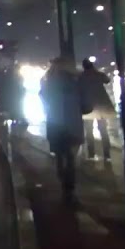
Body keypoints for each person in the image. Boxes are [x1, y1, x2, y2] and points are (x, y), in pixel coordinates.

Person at [41, 56, 84, 203]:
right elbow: (86, 104)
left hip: (55, 122)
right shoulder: (76, 82)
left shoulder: (49, 82)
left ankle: (64, 183)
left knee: (60, 154)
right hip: (72, 123)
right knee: (71, 157)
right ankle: (69, 188)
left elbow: (43, 98)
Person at [79, 59, 115, 160]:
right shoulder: (98, 74)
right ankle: (107, 154)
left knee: (89, 131)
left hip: (88, 107)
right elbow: (107, 80)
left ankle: (91, 154)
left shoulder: (81, 76)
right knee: (103, 130)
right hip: (101, 106)